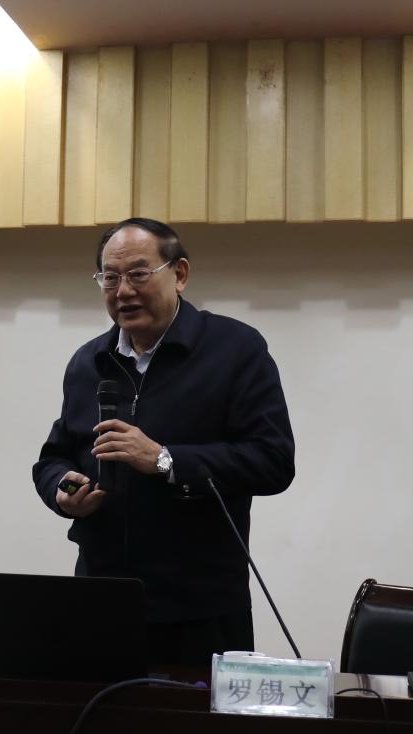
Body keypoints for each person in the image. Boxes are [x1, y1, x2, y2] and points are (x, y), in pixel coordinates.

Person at [32, 218, 295, 666]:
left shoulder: (235, 349)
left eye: (138, 274)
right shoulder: (89, 362)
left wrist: (165, 460)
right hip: (101, 597)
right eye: (110, 278)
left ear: (180, 274)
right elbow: (53, 458)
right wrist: (63, 489)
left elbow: (273, 461)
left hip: (200, 606)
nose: (123, 291)